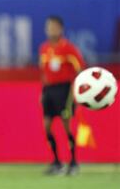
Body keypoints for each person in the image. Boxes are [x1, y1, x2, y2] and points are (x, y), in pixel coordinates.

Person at [39, 15, 85, 176]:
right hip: (49, 90)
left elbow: (80, 70)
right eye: (48, 26)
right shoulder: (44, 48)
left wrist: (75, 91)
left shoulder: (68, 48)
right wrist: (43, 91)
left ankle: (73, 162)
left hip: (65, 90)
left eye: (54, 26)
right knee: (46, 126)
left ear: (60, 29)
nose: (50, 29)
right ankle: (57, 162)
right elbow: (44, 72)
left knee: (67, 126)